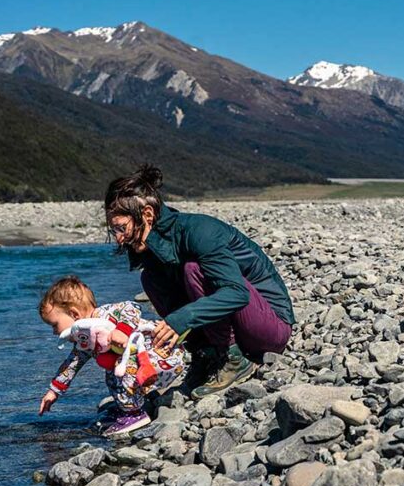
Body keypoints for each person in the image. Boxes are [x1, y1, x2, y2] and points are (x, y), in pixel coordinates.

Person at [104, 165, 294, 399]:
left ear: (147, 215)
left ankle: (234, 358)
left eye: (122, 229)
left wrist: (179, 320)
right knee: (151, 278)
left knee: (194, 269)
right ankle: (207, 356)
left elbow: (237, 293)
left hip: (270, 326)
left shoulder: (200, 231)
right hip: (241, 323)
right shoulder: (153, 248)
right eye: (114, 231)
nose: (120, 239)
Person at [37, 275, 186, 438]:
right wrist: (54, 391)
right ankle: (129, 407)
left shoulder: (104, 315)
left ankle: (135, 415)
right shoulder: (85, 340)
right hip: (150, 363)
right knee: (112, 374)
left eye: (54, 325)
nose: (54, 332)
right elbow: (71, 364)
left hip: (164, 352)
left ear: (74, 314)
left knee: (119, 369)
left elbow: (132, 307)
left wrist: (122, 330)